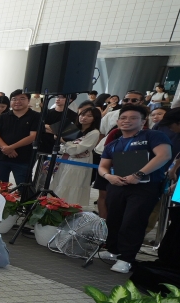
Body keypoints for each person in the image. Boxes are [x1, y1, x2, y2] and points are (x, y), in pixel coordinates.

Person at [98, 103, 173, 273]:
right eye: (123, 118)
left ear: (143, 121)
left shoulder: (154, 136)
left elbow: (164, 155)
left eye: (133, 118)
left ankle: (126, 258)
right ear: (118, 121)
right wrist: (109, 176)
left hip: (144, 187)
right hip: (117, 185)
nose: (127, 121)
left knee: (133, 221)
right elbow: (103, 166)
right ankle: (113, 250)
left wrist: (139, 174)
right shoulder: (113, 143)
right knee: (114, 219)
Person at [50, 105, 101, 207]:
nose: (84, 117)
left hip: (80, 162)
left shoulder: (94, 132)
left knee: (73, 184)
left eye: (89, 116)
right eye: (82, 114)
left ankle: (68, 208)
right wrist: (67, 146)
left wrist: (64, 142)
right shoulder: (73, 129)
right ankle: (55, 206)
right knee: (60, 182)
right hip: (65, 159)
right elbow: (61, 149)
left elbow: (78, 149)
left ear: (95, 119)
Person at [0, 90, 41, 189]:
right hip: (0, 156)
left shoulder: (36, 116)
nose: (17, 101)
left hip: (23, 158)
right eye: (14, 99)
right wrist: (6, 148)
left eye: (22, 98)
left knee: (24, 188)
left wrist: (11, 147)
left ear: (28, 101)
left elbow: (33, 136)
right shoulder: (2, 117)